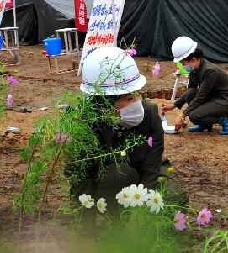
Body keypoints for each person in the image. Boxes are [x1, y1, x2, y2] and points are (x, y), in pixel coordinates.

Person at [69, 46, 166, 212]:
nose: (136, 102)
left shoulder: (150, 115)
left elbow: (152, 166)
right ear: (104, 104)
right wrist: (85, 225)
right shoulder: (86, 123)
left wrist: (143, 205)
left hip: (140, 179)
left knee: (171, 193)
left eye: (137, 94)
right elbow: (82, 176)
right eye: (128, 98)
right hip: (108, 184)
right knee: (118, 175)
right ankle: (114, 220)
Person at [161, 37, 228, 135]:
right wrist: (174, 105)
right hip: (214, 97)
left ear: (193, 59)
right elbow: (191, 91)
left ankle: (224, 119)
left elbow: (200, 97)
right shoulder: (194, 69)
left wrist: (183, 115)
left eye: (183, 63)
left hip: (227, 101)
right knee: (190, 94)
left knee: (194, 116)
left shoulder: (209, 71)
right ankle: (205, 124)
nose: (182, 66)